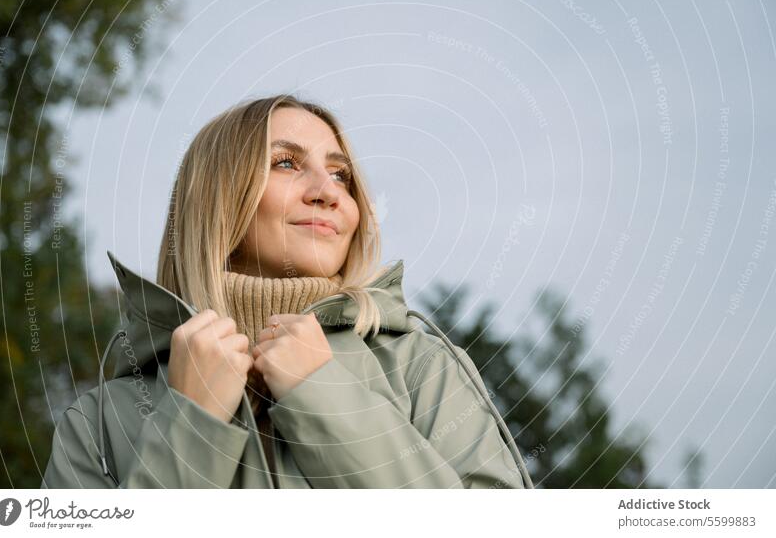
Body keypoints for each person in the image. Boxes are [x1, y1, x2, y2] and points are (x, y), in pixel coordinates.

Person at [41, 94, 534, 489]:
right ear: (214, 197)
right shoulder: (98, 423)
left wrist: (324, 399)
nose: (329, 190)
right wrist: (190, 425)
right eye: (284, 163)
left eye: (341, 174)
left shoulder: (421, 364)